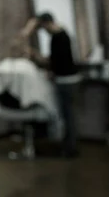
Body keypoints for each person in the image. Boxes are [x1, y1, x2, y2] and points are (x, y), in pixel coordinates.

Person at [22, 12, 80, 157]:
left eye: (42, 27)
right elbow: (57, 60)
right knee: (69, 115)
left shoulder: (57, 38)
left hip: (65, 81)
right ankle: (68, 147)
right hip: (69, 80)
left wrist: (35, 55)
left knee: (67, 116)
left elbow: (54, 63)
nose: (44, 31)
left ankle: (69, 149)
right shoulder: (63, 34)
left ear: (46, 24)